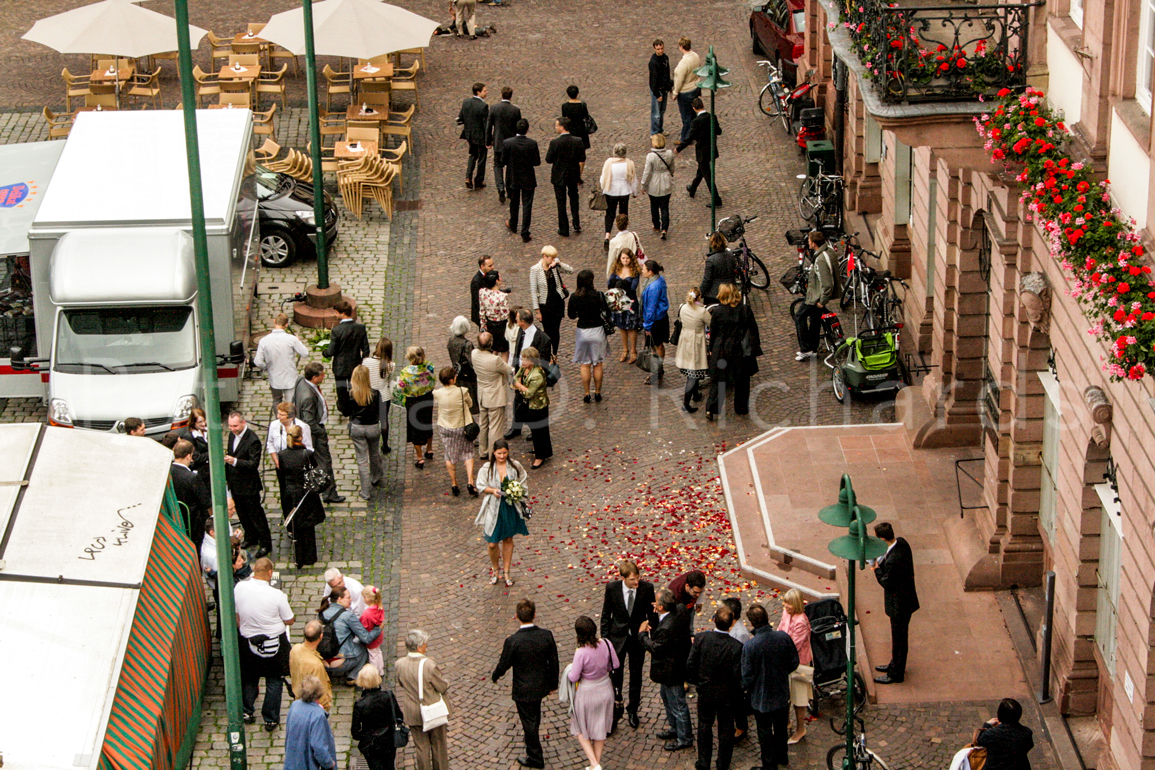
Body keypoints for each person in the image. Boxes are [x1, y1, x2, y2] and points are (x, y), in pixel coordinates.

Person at [492, 598, 560, 769]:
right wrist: (553, 684)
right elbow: (554, 662)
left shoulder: (513, 641)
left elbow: (504, 664)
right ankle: (534, 747)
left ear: (517, 616)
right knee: (533, 717)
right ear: (534, 615)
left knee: (529, 722)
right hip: (541, 685)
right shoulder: (546, 635)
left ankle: (535, 756)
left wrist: (495, 675)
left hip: (523, 689)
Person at [235, 556, 295, 730]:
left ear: (254, 569)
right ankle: (270, 718)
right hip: (274, 642)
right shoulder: (277, 595)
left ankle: (246, 711)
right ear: (270, 573)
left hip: (248, 640)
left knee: (249, 678)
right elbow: (289, 620)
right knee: (274, 680)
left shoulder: (239, 588)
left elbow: (237, 613)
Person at [599, 559, 656, 732]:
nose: (636, 582)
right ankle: (616, 709)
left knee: (636, 675)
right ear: (623, 578)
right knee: (616, 676)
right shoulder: (612, 589)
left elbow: (651, 615)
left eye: (637, 578)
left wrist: (649, 632)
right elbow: (606, 615)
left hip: (637, 640)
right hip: (618, 639)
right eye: (632, 580)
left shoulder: (647, 589)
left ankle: (633, 710)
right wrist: (605, 641)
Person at [742, 603, 799, 770]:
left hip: (761, 698)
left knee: (764, 732)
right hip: (781, 693)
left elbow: (746, 675)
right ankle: (782, 756)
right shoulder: (783, 637)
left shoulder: (751, 646)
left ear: (752, 623)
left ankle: (769, 765)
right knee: (781, 728)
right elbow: (794, 661)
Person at [687, 604, 744, 770]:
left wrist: (699, 683)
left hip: (706, 691)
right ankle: (723, 763)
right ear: (731, 624)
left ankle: (704, 762)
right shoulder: (736, 646)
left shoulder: (701, 638)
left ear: (714, 620)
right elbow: (736, 675)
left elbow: (691, 664)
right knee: (726, 729)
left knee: (704, 725)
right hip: (726, 695)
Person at [639, 588, 694, 751]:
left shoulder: (666, 628)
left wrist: (642, 634)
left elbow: (655, 648)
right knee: (666, 696)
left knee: (677, 703)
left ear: (662, 607)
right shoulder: (681, 610)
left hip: (672, 669)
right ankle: (675, 728)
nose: (654, 604)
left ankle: (684, 738)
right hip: (677, 662)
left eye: (657, 602)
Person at [474, 439, 529, 587]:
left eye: (504, 453)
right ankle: (495, 568)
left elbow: (523, 482)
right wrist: (492, 490)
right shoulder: (487, 468)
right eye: (499, 453)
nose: (502, 456)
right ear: (494, 453)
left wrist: (518, 493)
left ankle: (506, 571)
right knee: (492, 543)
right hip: (494, 508)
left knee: (508, 539)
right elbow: (480, 485)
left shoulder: (515, 466)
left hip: (510, 507)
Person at [568, 615, 620, 770]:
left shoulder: (581, 652)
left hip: (587, 693)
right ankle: (594, 766)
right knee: (600, 728)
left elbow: (574, 677)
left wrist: (570, 670)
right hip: (605, 689)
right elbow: (615, 664)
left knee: (579, 727)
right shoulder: (606, 643)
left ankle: (595, 764)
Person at [870, 521, 919, 684]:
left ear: (883, 539)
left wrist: (876, 568)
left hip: (899, 604)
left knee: (899, 639)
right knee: (898, 638)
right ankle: (894, 664)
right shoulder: (902, 543)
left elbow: (886, 582)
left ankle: (896, 673)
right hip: (906, 599)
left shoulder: (893, 560)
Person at [395, 629, 451, 770]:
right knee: (438, 745)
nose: (427, 646)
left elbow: (402, 683)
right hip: (432, 710)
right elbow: (442, 687)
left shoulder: (399, 664)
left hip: (413, 712)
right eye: (425, 644)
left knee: (421, 748)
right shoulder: (429, 665)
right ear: (419, 647)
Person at [707, 284, 762, 420]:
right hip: (740, 348)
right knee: (742, 378)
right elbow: (753, 330)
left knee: (719, 379)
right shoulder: (745, 310)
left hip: (722, 348)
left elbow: (713, 332)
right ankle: (741, 407)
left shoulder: (718, 311)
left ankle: (712, 408)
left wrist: (711, 349)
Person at [293, 362, 345, 504]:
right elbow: (309, 421)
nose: (324, 376)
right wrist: (320, 432)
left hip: (308, 431)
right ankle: (329, 493)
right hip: (315, 434)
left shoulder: (300, 381)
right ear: (315, 377)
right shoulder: (308, 396)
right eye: (322, 374)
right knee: (324, 463)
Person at [225, 411, 273, 558]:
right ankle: (251, 537)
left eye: (235, 425)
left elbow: (253, 464)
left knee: (256, 515)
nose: (232, 429)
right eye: (230, 426)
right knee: (242, 514)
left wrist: (235, 462)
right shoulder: (232, 435)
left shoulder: (253, 440)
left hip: (249, 485)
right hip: (235, 484)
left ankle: (265, 543)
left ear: (243, 423)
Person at [278, 425, 326, 569]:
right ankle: (310, 557)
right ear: (301, 437)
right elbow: (315, 469)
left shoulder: (282, 455)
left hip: (290, 494)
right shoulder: (307, 454)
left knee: (296, 526)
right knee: (308, 527)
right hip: (306, 494)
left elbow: (281, 476)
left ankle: (299, 557)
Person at [319, 585, 382, 683]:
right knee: (364, 649)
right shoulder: (348, 615)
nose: (351, 599)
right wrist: (378, 629)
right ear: (340, 599)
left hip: (322, 663)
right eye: (348, 597)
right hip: (341, 664)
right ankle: (353, 676)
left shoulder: (322, 611)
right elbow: (366, 638)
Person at [506, 309, 551, 441]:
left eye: (518, 319)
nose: (516, 321)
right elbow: (517, 349)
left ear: (523, 322)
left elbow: (544, 362)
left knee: (533, 404)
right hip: (521, 371)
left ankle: (535, 429)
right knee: (518, 400)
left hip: (532, 376)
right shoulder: (522, 330)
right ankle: (516, 427)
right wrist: (516, 368)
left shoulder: (543, 338)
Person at [432, 366, 478, 496]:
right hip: (462, 426)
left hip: (445, 427)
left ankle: (454, 483)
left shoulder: (437, 393)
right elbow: (469, 404)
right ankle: (470, 482)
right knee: (468, 453)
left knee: (449, 455)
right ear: (453, 379)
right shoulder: (462, 391)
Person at [794, 229, 838, 361]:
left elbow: (826, 283)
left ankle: (806, 348)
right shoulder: (828, 251)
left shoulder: (820, 260)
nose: (808, 243)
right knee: (814, 320)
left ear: (813, 244)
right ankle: (813, 348)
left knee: (799, 316)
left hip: (815, 296)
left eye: (809, 241)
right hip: (818, 293)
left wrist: (822, 300)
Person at [568, 270, 610, 403]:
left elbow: (571, 315)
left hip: (583, 331)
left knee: (585, 365)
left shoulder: (574, 297)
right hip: (597, 331)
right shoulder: (598, 295)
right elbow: (607, 312)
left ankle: (586, 393)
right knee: (597, 364)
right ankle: (597, 392)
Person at [778, 588, 814, 744]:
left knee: (799, 699)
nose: (785, 605)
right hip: (786, 662)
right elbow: (780, 629)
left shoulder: (801, 622)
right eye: (785, 602)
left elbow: (794, 646)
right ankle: (786, 722)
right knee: (786, 695)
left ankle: (801, 729)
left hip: (799, 664)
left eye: (789, 603)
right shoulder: (787, 613)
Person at [472, 332, 515, 458]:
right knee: (495, 427)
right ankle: (493, 453)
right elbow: (508, 370)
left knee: (484, 424)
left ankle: (483, 451)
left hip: (482, 394)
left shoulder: (474, 354)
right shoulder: (495, 360)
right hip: (495, 396)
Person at [268, 402, 314, 516]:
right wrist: (276, 461)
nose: (278, 417)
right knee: (285, 494)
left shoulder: (302, 427)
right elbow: (270, 444)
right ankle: (288, 520)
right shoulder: (274, 425)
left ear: (291, 416)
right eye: (278, 413)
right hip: (282, 467)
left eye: (281, 415)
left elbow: (308, 448)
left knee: (300, 494)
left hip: (298, 469)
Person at [325, 300, 370, 417]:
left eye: (336, 312)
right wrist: (362, 363)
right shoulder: (360, 328)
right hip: (355, 364)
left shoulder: (336, 330)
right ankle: (356, 405)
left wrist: (324, 352)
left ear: (343, 313)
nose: (335, 315)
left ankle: (345, 409)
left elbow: (331, 351)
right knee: (355, 386)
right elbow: (366, 349)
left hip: (340, 366)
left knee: (341, 388)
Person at [254, 313, 310, 406]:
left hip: (274, 377)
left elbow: (257, 361)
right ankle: (290, 420)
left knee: (277, 401)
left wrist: (267, 367)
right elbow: (305, 353)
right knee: (290, 404)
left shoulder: (264, 340)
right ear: (286, 325)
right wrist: (299, 341)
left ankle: (278, 419)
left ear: (274, 321)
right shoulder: (291, 339)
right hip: (290, 377)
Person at [352, 664, 400, 770]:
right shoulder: (388, 696)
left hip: (371, 745)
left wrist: (366, 735)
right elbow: (398, 716)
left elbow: (355, 732)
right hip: (389, 741)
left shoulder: (360, 704)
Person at [676, 96, 723, 207]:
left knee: (707, 176)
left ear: (694, 108)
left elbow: (690, 137)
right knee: (701, 171)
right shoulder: (712, 117)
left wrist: (679, 148)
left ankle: (716, 199)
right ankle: (693, 188)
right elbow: (719, 131)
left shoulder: (696, 121)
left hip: (702, 152)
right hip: (711, 149)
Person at [396, 346, 437, 470]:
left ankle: (419, 457)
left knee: (415, 428)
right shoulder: (430, 367)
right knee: (428, 423)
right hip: (427, 398)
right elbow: (433, 382)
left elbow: (400, 388)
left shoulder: (406, 372)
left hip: (413, 401)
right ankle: (429, 448)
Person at [283, 676, 336, 770]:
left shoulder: (295, 705)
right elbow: (318, 746)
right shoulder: (318, 715)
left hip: (293, 761)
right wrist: (329, 763)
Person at [528, 245, 573, 356]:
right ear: (544, 256)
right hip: (545, 305)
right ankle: (547, 354)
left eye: (554, 258)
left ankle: (555, 353)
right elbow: (533, 291)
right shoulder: (535, 269)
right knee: (548, 331)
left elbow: (570, 271)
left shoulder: (555, 266)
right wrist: (537, 311)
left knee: (556, 330)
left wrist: (558, 263)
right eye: (551, 258)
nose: (553, 260)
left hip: (557, 302)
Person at [348, 365, 384, 500]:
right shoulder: (375, 393)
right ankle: (376, 476)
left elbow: (346, 410)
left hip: (357, 428)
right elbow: (381, 412)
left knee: (362, 460)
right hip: (373, 427)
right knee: (374, 453)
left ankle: (365, 492)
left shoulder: (351, 394)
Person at [545, 117, 586, 237]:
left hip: (559, 176)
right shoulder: (577, 141)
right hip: (573, 175)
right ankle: (576, 223)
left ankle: (564, 228)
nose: (555, 127)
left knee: (561, 202)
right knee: (574, 199)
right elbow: (582, 158)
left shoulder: (555, 143)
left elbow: (548, 159)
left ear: (562, 127)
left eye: (557, 125)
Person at [513, 347, 551, 469]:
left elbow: (529, 393)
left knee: (540, 431)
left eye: (525, 359)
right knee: (534, 430)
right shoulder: (525, 369)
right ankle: (538, 448)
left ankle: (540, 456)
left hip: (538, 407)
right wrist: (520, 385)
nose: (522, 362)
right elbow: (515, 378)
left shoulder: (537, 375)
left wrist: (519, 386)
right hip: (530, 405)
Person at [503, 118, 541, 243]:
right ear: (527, 130)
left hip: (513, 177)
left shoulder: (508, 143)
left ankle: (513, 223)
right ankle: (525, 232)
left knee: (514, 202)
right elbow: (536, 162)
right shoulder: (532, 144)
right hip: (528, 178)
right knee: (527, 205)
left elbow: (502, 161)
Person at [675, 289, 711, 413]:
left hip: (685, 341)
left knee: (691, 369)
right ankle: (686, 404)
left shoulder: (682, 308)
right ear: (699, 297)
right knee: (693, 373)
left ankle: (695, 394)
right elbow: (711, 323)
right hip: (696, 342)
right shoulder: (702, 311)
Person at [723, 596, 753, 740]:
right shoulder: (730, 626)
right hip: (728, 670)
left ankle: (741, 727)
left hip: (735, 672)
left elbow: (738, 654)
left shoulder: (740, 633)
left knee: (737, 702)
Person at [975, 698, 1034, 770]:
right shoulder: (1026, 733)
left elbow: (980, 741)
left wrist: (987, 725)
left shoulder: (991, 734)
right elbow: (1029, 745)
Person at [486, 86, 521, 205]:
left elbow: (489, 126)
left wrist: (488, 140)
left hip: (498, 142)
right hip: (511, 142)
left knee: (497, 165)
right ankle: (509, 189)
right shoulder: (515, 110)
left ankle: (500, 187)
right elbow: (518, 127)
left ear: (501, 94)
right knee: (510, 166)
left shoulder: (494, 108)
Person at [171, 438, 209, 546]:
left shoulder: (167, 472)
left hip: (174, 520)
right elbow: (205, 502)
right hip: (193, 523)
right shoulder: (192, 477)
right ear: (189, 456)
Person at [599, 144, 638, 250]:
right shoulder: (629, 163)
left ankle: (607, 236)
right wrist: (634, 192)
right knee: (623, 213)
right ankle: (622, 233)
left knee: (610, 214)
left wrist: (603, 188)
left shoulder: (609, 163)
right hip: (624, 192)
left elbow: (603, 178)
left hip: (611, 191)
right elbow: (633, 179)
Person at [290, 620, 333, 713]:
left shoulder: (295, 649)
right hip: (314, 708)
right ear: (321, 636)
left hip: (298, 699)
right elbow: (322, 692)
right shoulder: (316, 665)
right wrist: (326, 707)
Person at [607, 248, 642, 364]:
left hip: (630, 302)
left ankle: (633, 351)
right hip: (618, 302)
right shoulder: (616, 269)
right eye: (623, 258)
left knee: (631, 327)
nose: (625, 260)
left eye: (627, 258)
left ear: (631, 259)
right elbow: (609, 284)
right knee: (622, 327)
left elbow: (633, 287)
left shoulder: (634, 272)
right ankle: (625, 350)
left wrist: (618, 285)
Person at [639, 260, 670, 385]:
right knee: (656, 345)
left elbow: (651, 307)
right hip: (658, 318)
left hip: (655, 321)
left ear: (650, 272)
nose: (642, 271)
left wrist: (647, 325)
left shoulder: (653, 287)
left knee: (657, 345)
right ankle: (658, 369)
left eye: (644, 269)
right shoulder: (658, 280)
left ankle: (658, 371)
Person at [363, 337, 395, 454]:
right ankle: (385, 445)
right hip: (384, 396)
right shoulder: (391, 365)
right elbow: (389, 381)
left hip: (370, 395)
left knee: (370, 420)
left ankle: (370, 443)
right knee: (384, 420)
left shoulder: (366, 361)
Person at [641, 133, 675, 239]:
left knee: (654, 206)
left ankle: (656, 226)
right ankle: (665, 228)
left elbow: (647, 173)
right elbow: (672, 168)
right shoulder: (669, 153)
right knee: (665, 207)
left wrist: (644, 185)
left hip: (654, 184)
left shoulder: (651, 156)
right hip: (666, 181)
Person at [458, 82, 489, 189]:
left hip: (469, 135)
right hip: (480, 137)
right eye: (484, 91)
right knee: (482, 158)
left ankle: (468, 177)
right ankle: (478, 181)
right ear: (478, 92)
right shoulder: (484, 106)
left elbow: (460, 117)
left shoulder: (466, 102)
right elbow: (486, 125)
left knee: (472, 155)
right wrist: (489, 139)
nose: (486, 92)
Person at [446, 316, 479, 416]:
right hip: (467, 374)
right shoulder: (467, 344)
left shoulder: (451, 339)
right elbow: (472, 361)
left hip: (456, 371)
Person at [673, 37, 702, 142]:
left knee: (686, 117)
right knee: (693, 113)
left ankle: (686, 138)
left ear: (681, 47)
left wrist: (675, 92)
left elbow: (679, 80)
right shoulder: (696, 56)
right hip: (695, 87)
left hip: (685, 91)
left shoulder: (683, 63)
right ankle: (695, 134)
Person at [479, 270, 512, 358]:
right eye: (500, 277)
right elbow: (505, 315)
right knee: (505, 350)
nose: (501, 279)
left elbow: (482, 311)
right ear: (496, 281)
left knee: (494, 348)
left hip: (490, 324)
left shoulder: (482, 292)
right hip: (501, 326)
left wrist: (483, 326)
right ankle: (504, 370)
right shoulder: (502, 296)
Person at [560, 85, 591, 178]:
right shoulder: (582, 105)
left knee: (570, 153)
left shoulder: (565, 106)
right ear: (577, 94)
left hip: (571, 131)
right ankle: (579, 175)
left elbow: (564, 117)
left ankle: (570, 173)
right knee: (581, 155)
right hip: (581, 131)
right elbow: (586, 116)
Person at [701, 230, 739, 305]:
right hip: (730, 290)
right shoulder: (731, 255)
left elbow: (707, 279)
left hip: (715, 294)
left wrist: (700, 292)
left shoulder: (711, 260)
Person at [605, 212, 645, 279]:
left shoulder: (613, 242)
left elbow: (611, 261)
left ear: (616, 224)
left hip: (621, 275)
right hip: (634, 272)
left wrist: (609, 276)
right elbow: (641, 251)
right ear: (627, 223)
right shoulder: (634, 235)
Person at [649, 39, 674, 135]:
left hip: (664, 89)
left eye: (662, 48)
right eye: (658, 49)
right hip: (657, 90)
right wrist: (656, 93)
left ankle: (659, 129)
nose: (660, 51)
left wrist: (669, 86)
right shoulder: (653, 62)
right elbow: (653, 80)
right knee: (656, 113)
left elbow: (667, 74)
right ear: (654, 49)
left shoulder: (665, 58)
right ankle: (654, 132)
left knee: (662, 111)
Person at [360, 586, 386, 675]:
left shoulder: (366, 613)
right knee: (378, 652)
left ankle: (375, 673)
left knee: (372, 656)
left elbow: (365, 627)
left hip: (372, 638)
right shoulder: (379, 606)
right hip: (379, 635)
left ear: (367, 598)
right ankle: (381, 670)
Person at [471, 255, 495, 327]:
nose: (493, 267)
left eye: (493, 264)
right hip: (481, 315)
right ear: (482, 266)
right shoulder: (476, 281)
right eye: (490, 266)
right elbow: (477, 301)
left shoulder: (489, 275)